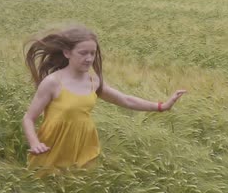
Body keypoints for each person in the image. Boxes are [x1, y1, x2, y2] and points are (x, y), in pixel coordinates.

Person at [22, 25, 186, 177]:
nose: (89, 58)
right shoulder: (53, 82)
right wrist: (35, 143)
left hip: (84, 143)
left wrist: (161, 106)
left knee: (79, 192)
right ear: (67, 53)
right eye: (83, 53)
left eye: (92, 53)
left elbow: (126, 100)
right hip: (54, 144)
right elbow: (29, 118)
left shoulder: (94, 82)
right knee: (46, 188)